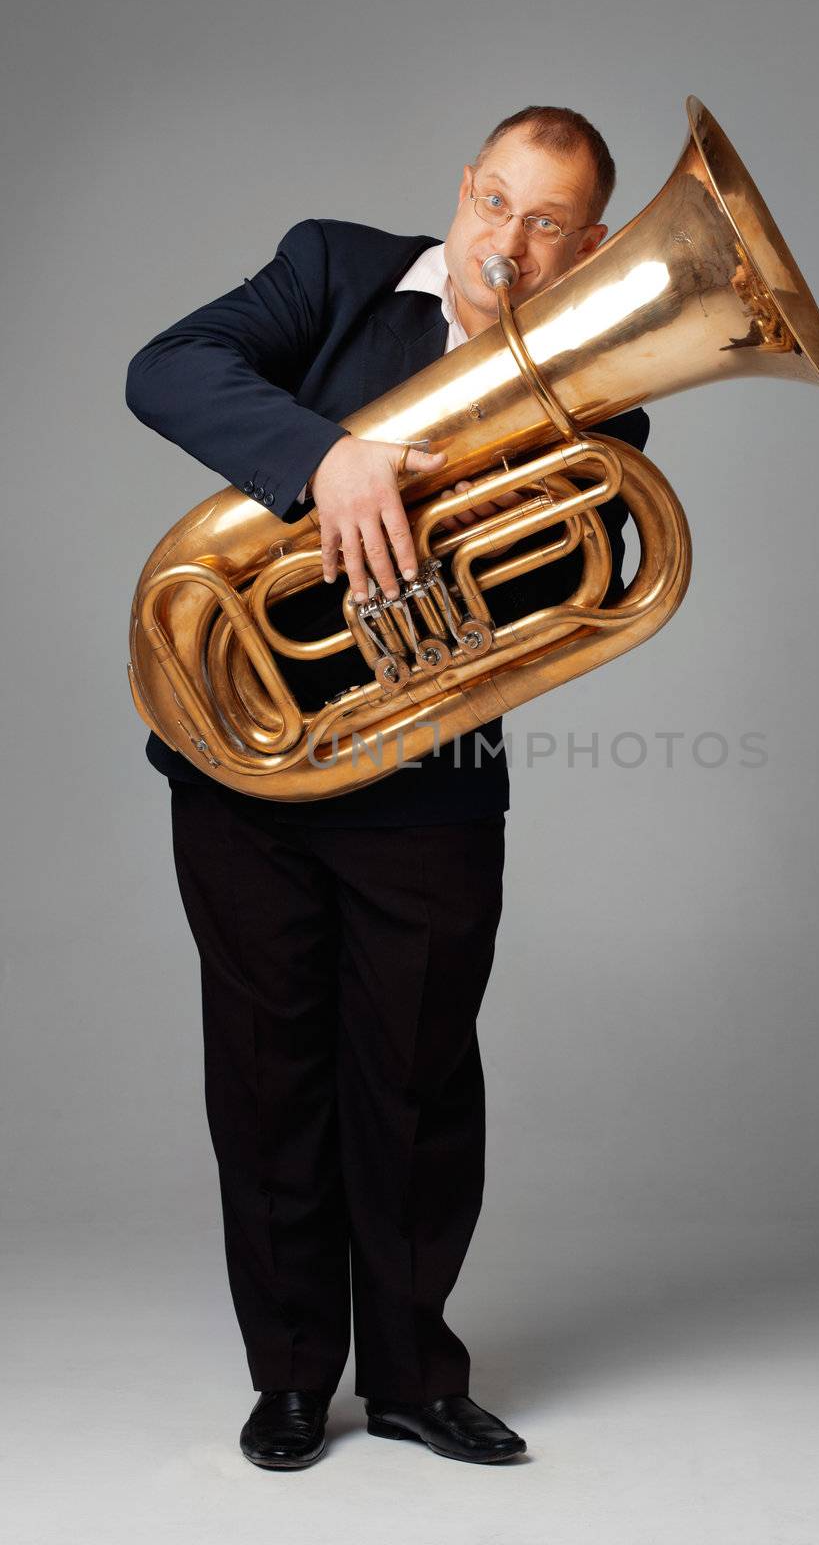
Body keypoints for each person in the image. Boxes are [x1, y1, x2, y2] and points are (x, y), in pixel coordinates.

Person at [125, 105, 651, 1470]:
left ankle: (415, 1377)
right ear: (463, 188)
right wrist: (327, 459)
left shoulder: (601, 380)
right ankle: (295, 1376)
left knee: (416, 1080)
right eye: (495, 202)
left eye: (548, 225)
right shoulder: (337, 270)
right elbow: (169, 369)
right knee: (267, 1077)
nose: (508, 244)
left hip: (428, 773)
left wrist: (430, 525)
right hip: (241, 758)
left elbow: (559, 575)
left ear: (589, 244)